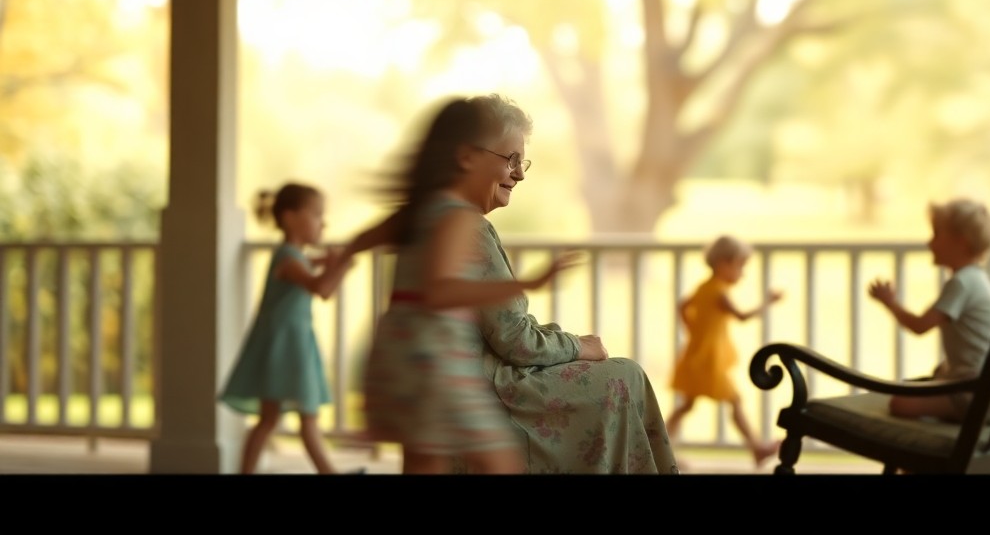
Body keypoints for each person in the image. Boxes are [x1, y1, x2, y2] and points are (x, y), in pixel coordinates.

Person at [333, 94, 679, 474]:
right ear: (466, 157)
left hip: (398, 359)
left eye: (522, 162)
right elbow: (442, 292)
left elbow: (364, 239)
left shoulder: (420, 211)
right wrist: (525, 283)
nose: (521, 173)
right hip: (439, 365)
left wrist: (333, 264)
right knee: (499, 461)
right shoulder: (462, 220)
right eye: (511, 159)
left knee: (424, 463)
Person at [218, 183, 358, 474]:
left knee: (271, 419)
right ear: (290, 217)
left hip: (289, 346)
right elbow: (321, 288)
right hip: (286, 349)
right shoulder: (288, 258)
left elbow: (312, 266)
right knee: (304, 419)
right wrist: (342, 265)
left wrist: (330, 261)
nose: (324, 223)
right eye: (317, 214)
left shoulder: (294, 257)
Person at [866, 198, 990, 422]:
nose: (929, 243)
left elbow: (919, 326)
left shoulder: (961, 283)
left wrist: (890, 302)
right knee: (917, 385)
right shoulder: (977, 278)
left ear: (961, 242)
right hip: (986, 384)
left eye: (937, 235)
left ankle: (918, 449)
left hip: (976, 390)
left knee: (900, 402)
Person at [664, 235, 784, 467]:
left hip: (699, 356)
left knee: (685, 406)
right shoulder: (719, 293)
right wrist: (768, 301)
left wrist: (692, 329)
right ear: (723, 265)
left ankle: (661, 448)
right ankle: (757, 448)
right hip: (707, 361)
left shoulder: (704, 287)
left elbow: (683, 306)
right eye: (740, 266)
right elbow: (742, 316)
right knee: (733, 400)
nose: (742, 273)